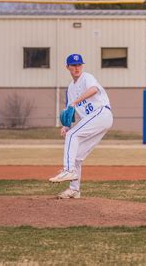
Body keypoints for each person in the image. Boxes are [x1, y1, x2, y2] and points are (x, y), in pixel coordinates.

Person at [49, 53, 113, 199]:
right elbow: (69, 110)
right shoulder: (71, 88)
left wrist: (76, 101)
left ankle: (68, 170)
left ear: (82, 66)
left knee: (73, 135)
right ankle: (74, 190)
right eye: (74, 65)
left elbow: (94, 90)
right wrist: (66, 126)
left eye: (79, 65)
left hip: (101, 113)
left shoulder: (87, 77)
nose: (77, 68)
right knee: (77, 156)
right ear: (68, 67)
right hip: (95, 120)